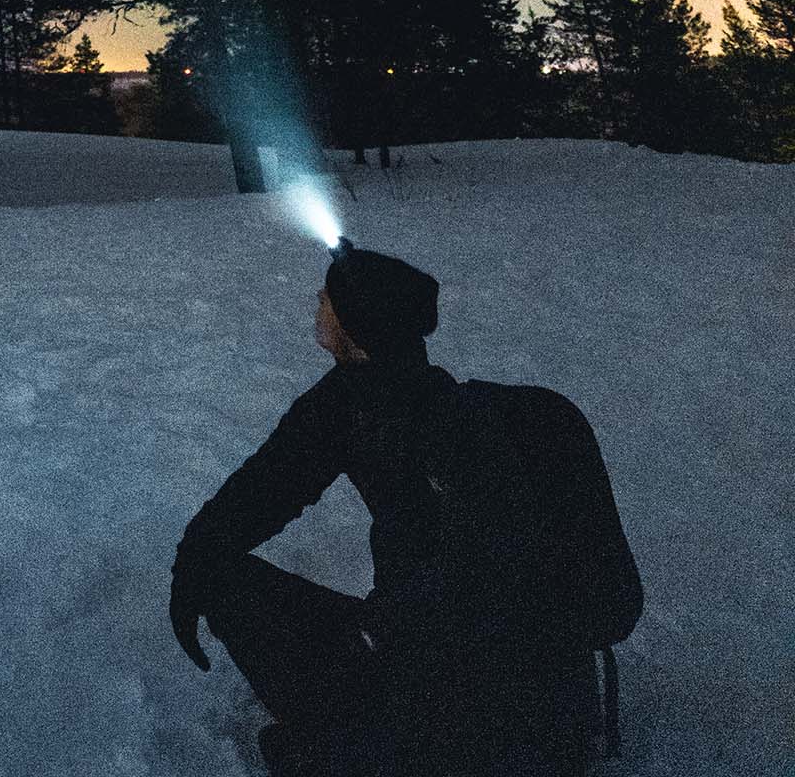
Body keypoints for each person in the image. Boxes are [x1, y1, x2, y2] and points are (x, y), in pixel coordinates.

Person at [166, 245, 596, 776]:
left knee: (234, 592)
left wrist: (374, 638)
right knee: (226, 576)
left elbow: (484, 574)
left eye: (328, 299)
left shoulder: (408, 420)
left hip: (477, 691)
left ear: (356, 326)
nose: (317, 302)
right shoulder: (393, 401)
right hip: (487, 674)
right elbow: (268, 487)